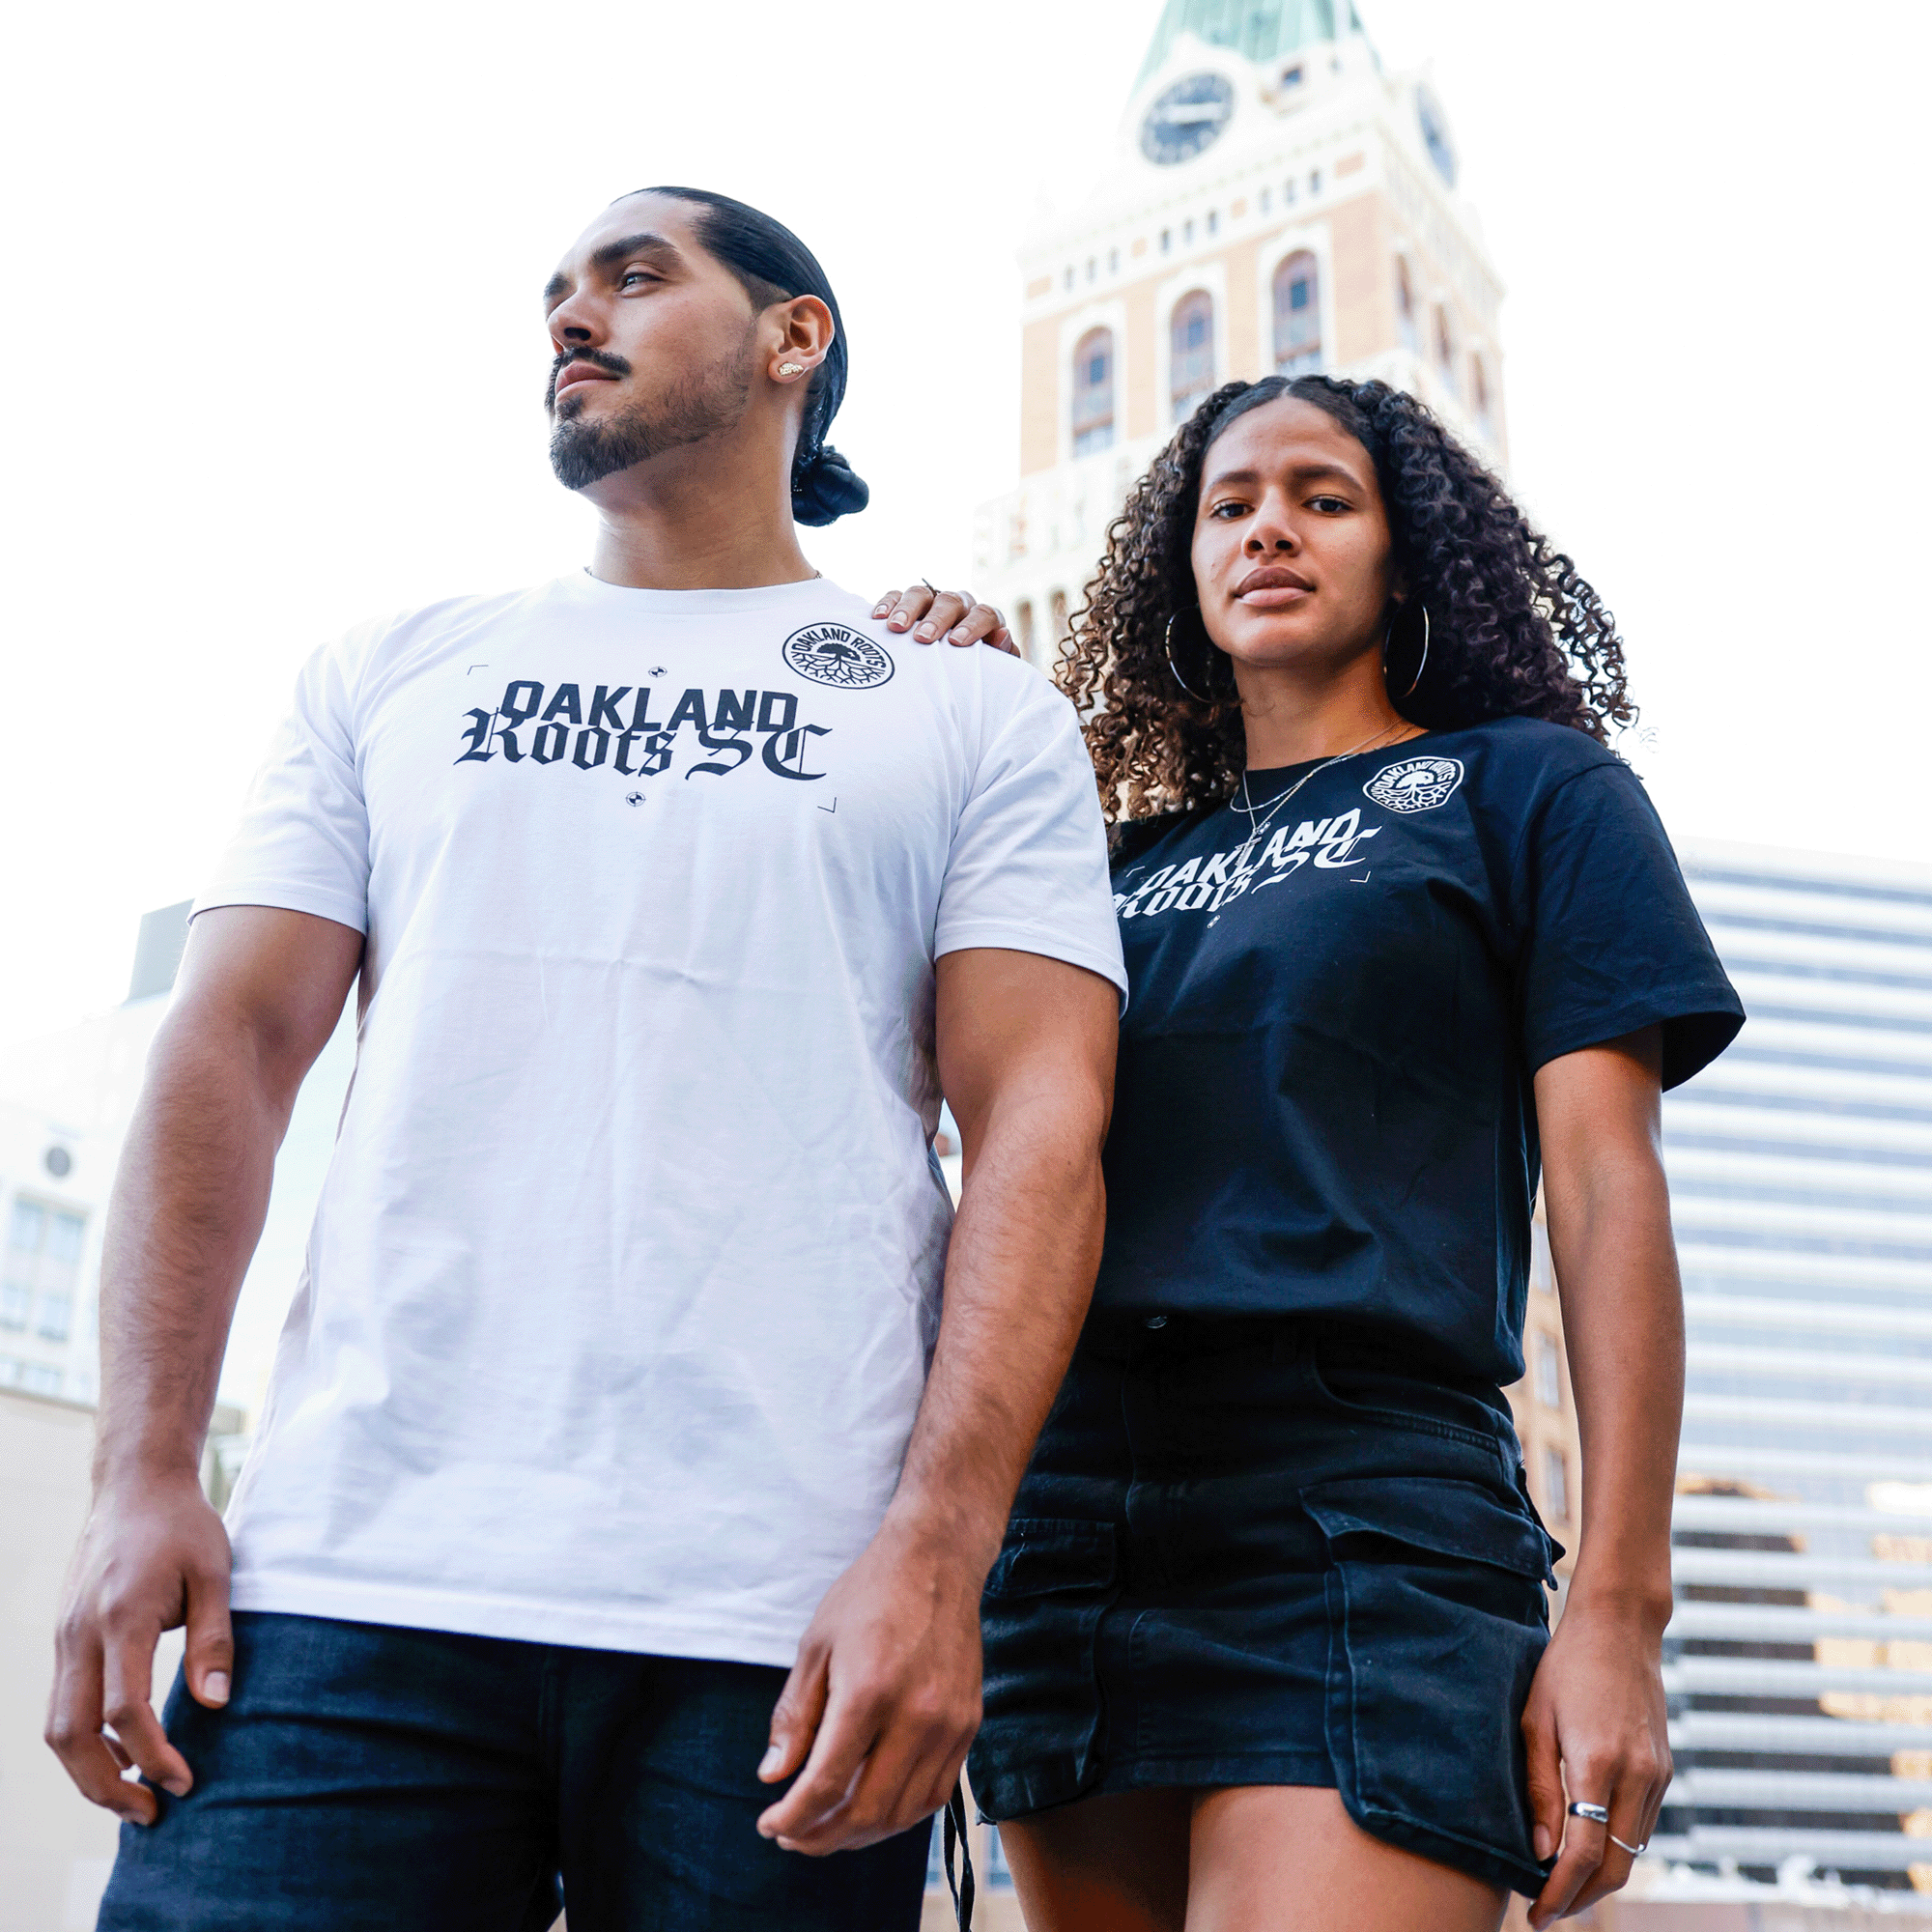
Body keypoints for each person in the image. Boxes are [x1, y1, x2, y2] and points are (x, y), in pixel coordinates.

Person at [48, 185, 1123, 1932]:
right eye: (555, 291)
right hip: (342, 1594)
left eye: (636, 276)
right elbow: (231, 1052)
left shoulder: (969, 707)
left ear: (795, 339)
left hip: (779, 1633)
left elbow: (1040, 1131)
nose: (571, 316)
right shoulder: (387, 672)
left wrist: (940, 1555)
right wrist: (142, 1471)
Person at [935, 373, 1744, 1932]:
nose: (1269, 531)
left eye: (1322, 496)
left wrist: (1621, 1610)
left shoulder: (1529, 791)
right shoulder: (1103, 861)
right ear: (1180, 565)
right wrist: (944, 699)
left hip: (1366, 1506)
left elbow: (1603, 1186)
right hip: (1072, 1518)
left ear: (1403, 549)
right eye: (1228, 505)